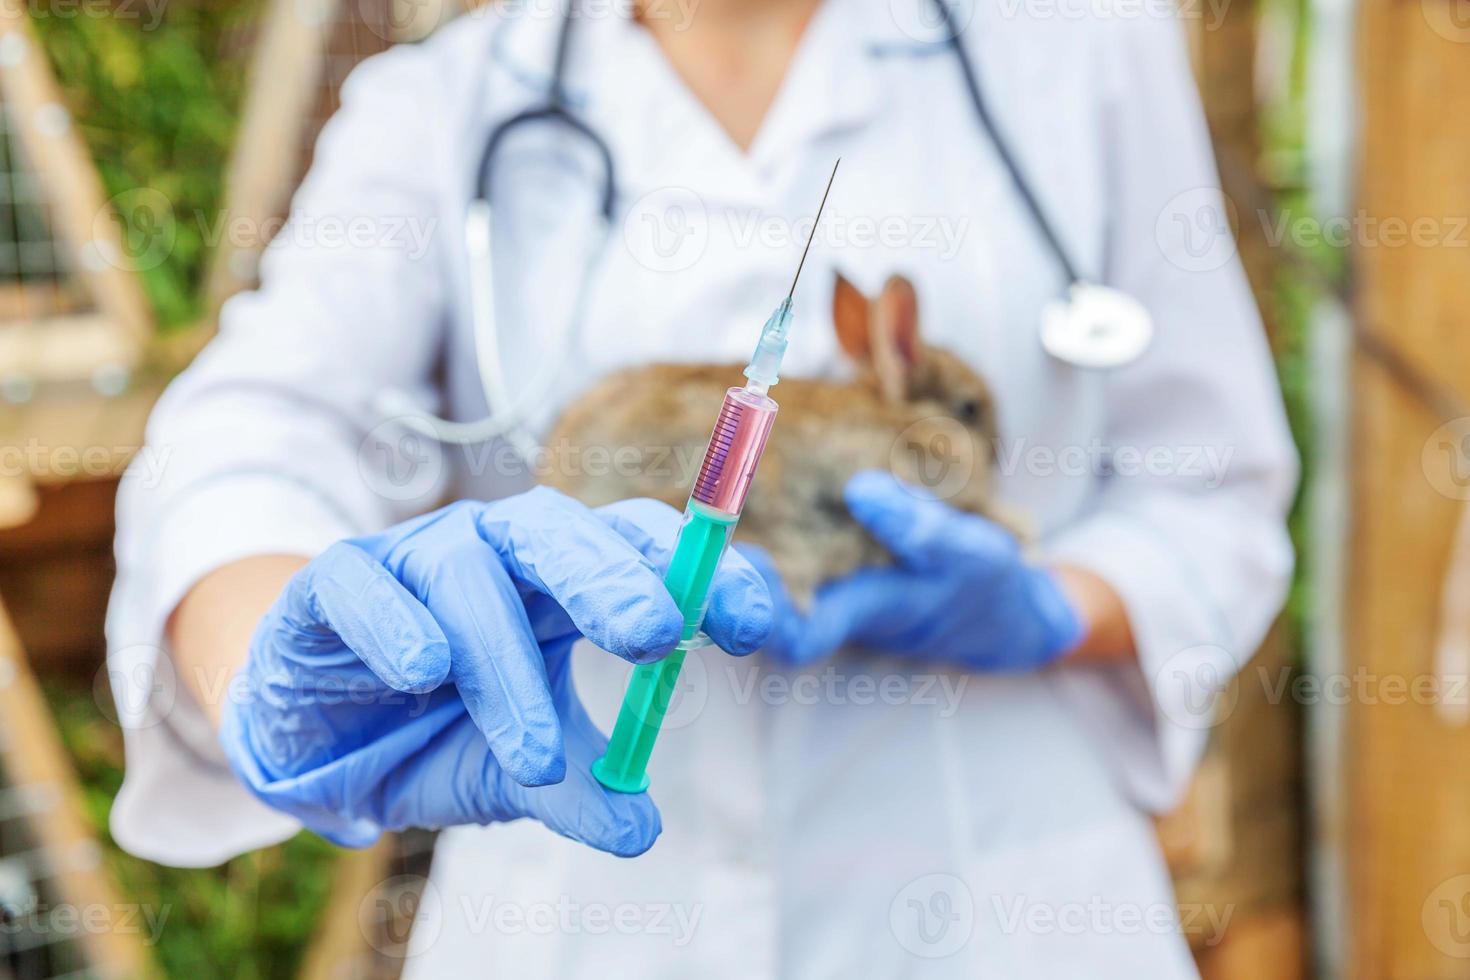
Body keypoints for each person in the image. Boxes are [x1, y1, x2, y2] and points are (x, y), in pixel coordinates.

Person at [105, 0, 1297, 975]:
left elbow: (1216, 486)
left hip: (1007, 898)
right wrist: (275, 664)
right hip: (577, 907)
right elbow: (250, 432)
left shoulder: (1077, 43)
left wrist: (1048, 607)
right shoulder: (448, 99)